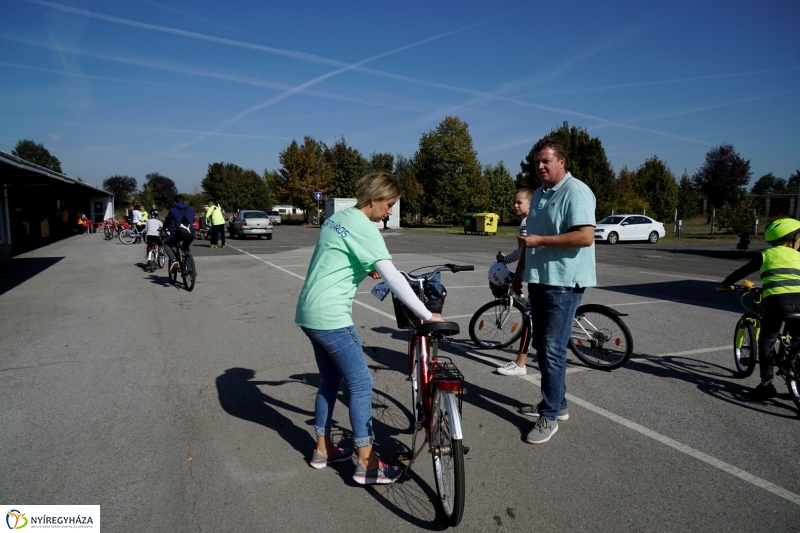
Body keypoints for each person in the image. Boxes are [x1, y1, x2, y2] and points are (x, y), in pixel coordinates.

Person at [295, 172, 443, 485]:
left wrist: (365, 267)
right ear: (374, 199)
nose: (389, 211)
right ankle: (366, 462)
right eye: (388, 204)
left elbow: (337, 258)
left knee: (329, 379)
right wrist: (427, 313)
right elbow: (393, 278)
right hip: (331, 316)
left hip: (308, 311)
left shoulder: (339, 218)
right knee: (361, 383)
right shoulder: (366, 229)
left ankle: (322, 449)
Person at [512, 138, 596, 445]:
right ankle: (557, 406)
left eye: (546, 161)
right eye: (537, 162)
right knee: (544, 347)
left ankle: (549, 415)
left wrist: (541, 242)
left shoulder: (576, 191)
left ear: (562, 162)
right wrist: (519, 274)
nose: (541, 166)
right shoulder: (541, 195)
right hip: (540, 278)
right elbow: (528, 241)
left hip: (563, 281)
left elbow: (586, 236)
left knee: (552, 348)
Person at [718, 218, 800, 400]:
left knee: (766, 341)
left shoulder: (766, 255)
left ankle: (766, 385)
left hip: (778, 303)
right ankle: (794, 367)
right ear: (792, 239)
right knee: (797, 338)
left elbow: (741, 272)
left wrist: (725, 284)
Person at [493, 187, 533, 376]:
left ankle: (520, 363)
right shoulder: (530, 220)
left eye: (520, 202)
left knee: (530, 317)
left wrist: (506, 261)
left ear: (530, 203)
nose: (515, 206)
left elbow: (523, 251)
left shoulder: (526, 222)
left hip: (534, 272)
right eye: (514, 202)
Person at [163, 195, 196, 273]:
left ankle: (174, 260)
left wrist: (163, 227)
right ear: (184, 201)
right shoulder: (191, 209)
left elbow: (168, 220)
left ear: (175, 202)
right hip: (190, 233)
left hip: (178, 233)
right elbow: (193, 219)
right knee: (185, 248)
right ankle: (190, 268)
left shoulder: (173, 210)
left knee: (166, 244)